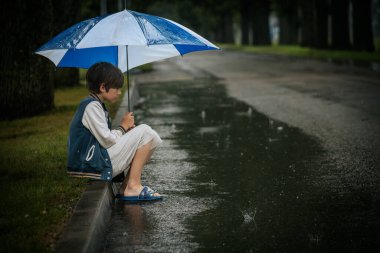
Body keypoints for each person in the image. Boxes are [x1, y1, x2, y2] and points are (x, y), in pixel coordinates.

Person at [67, 62, 162, 202]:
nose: (119, 92)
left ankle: (128, 186)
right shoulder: (91, 106)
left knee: (151, 137)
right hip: (94, 164)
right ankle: (133, 187)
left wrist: (125, 132)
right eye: (116, 88)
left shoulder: (95, 104)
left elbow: (104, 137)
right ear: (103, 87)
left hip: (97, 161)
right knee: (146, 131)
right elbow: (107, 140)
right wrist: (123, 128)